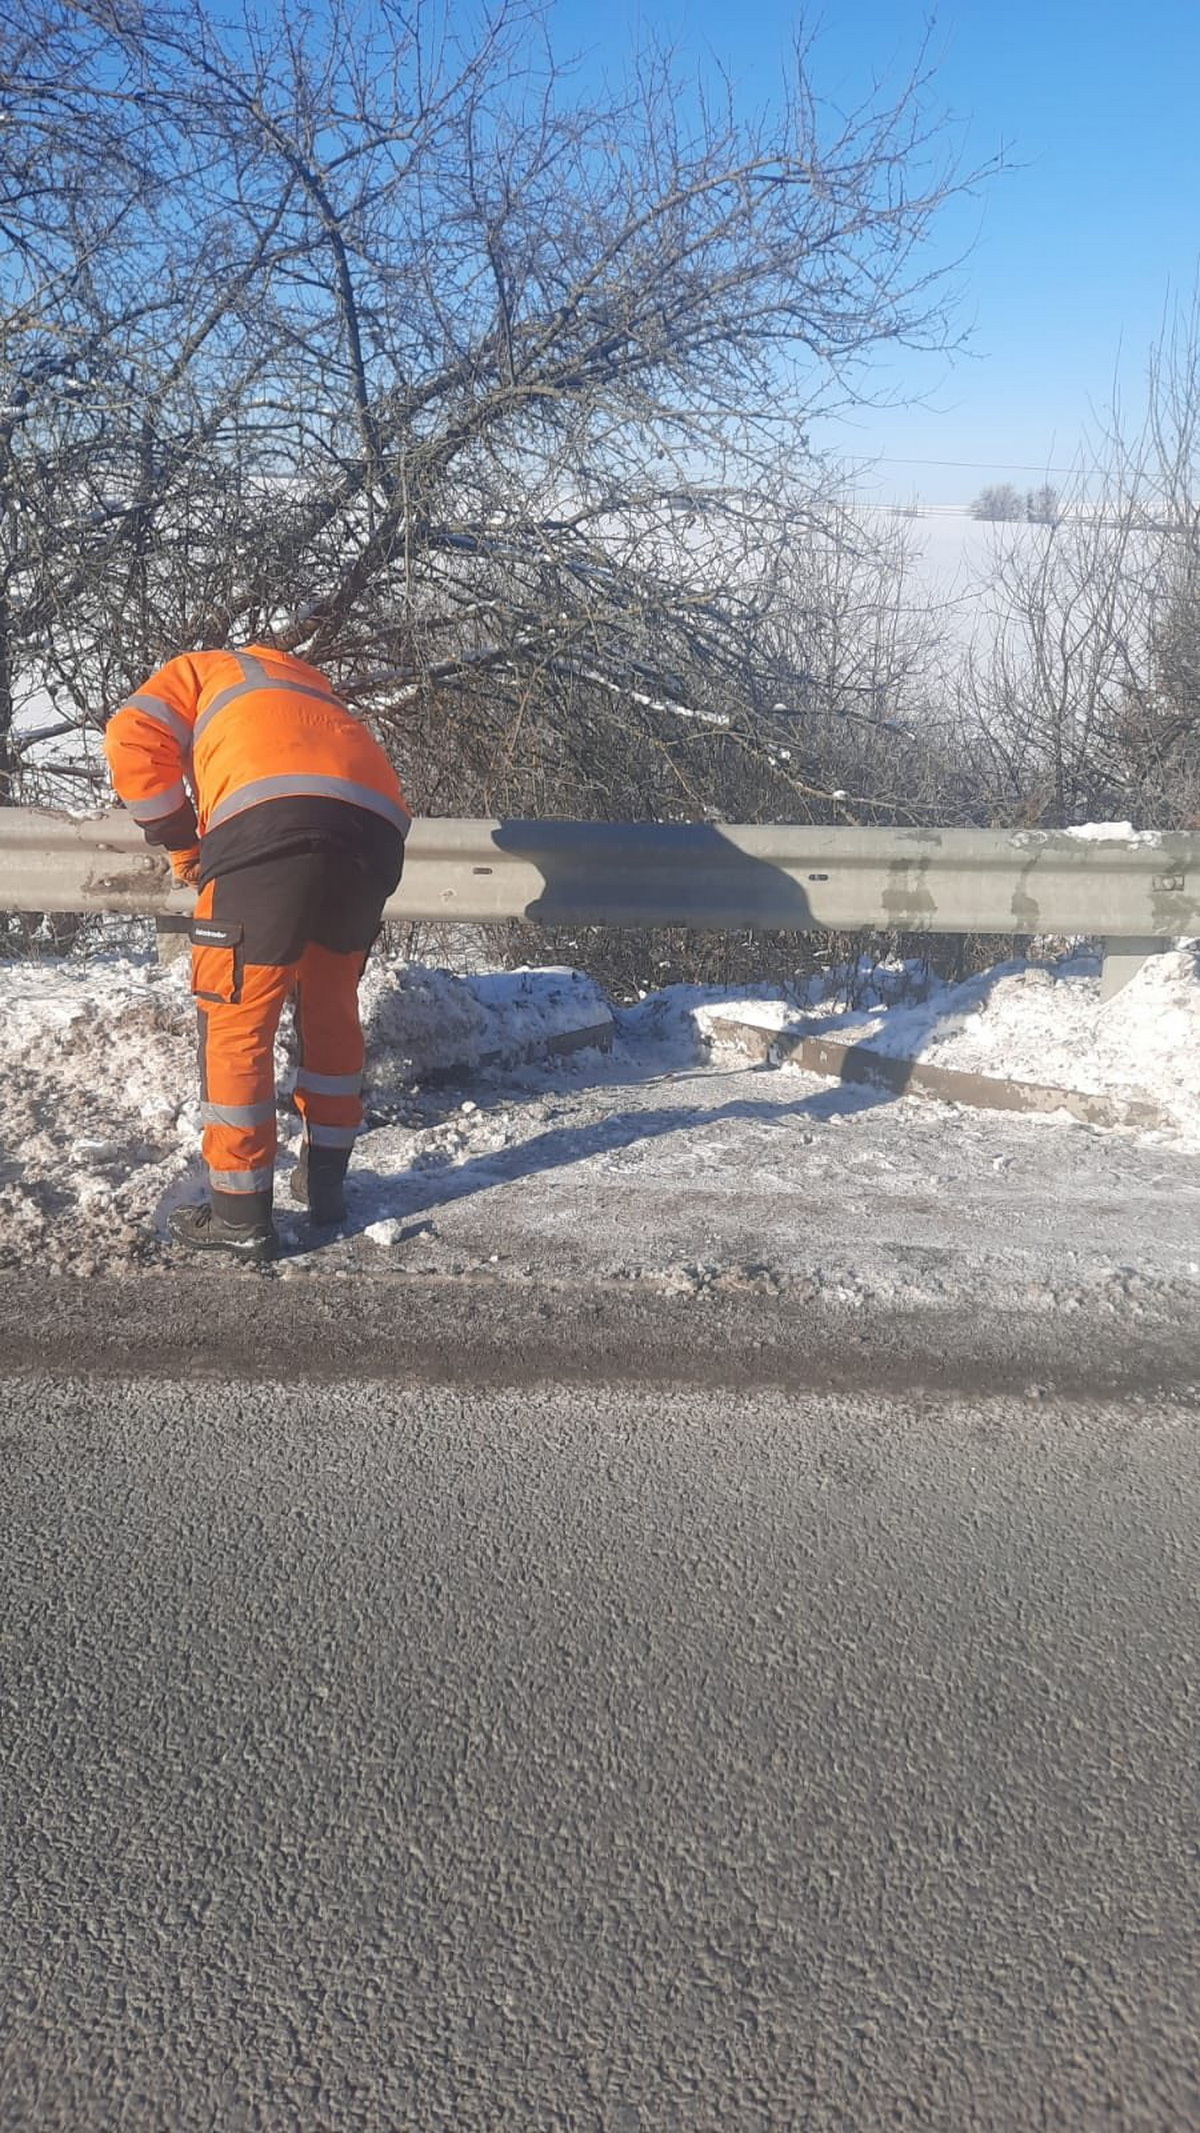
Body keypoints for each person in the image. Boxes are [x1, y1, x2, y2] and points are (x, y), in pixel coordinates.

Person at [104, 643, 410, 1261]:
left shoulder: (201, 669)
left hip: (268, 825)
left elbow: (131, 738)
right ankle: (326, 1184)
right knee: (330, 1003)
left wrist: (182, 841)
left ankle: (239, 1213)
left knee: (236, 1015)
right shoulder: (309, 684)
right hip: (376, 834)